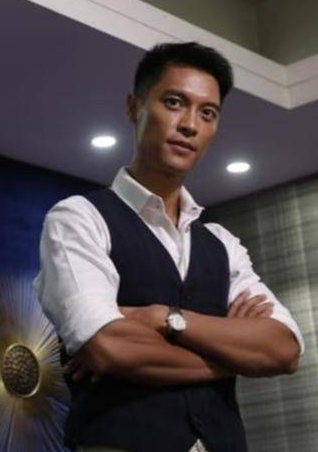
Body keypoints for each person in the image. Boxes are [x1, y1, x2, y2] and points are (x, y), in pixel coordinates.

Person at [33, 42, 304, 452]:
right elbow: (108, 347)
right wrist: (234, 358)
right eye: (175, 103)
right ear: (134, 107)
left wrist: (166, 319)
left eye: (207, 113)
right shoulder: (79, 218)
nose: (190, 124)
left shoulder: (222, 243)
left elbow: (284, 349)